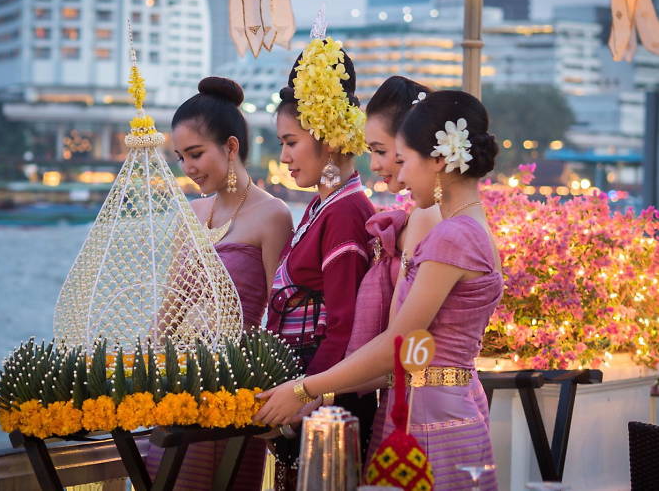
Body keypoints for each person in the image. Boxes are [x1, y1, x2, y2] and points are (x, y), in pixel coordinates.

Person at [257, 90, 503, 491]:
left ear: (439, 160)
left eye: (403, 161)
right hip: (436, 404)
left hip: (431, 418)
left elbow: (399, 340)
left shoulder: (453, 236)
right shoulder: (469, 228)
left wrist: (305, 389)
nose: (399, 176)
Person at [145, 76, 292, 490]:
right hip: (180, 387)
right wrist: (138, 373)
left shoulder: (273, 216)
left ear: (230, 146)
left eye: (196, 154)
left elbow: (279, 320)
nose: (189, 168)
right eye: (181, 158)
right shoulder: (192, 212)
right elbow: (172, 308)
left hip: (234, 390)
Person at [265, 36, 376, 489]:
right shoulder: (324, 205)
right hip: (307, 392)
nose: (284, 156)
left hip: (326, 403)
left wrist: (307, 396)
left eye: (291, 142)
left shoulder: (346, 212)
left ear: (328, 139)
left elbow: (344, 326)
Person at [346, 76, 442, 458]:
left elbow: (399, 337)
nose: (374, 164)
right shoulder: (422, 212)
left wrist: (311, 389)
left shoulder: (426, 216)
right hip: (407, 389)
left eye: (380, 150)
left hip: (418, 401)